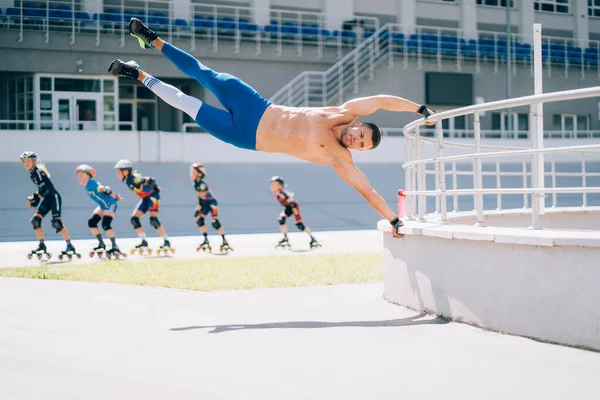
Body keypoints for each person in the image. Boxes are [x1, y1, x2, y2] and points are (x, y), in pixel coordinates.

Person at [108, 18, 436, 238]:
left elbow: (368, 191)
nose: (355, 140)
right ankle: (151, 40)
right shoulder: (341, 113)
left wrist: (394, 220)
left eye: (360, 145)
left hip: (245, 136)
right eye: (360, 134)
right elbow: (381, 100)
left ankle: (137, 74)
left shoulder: (340, 160)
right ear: (359, 124)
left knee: (185, 103)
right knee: (204, 74)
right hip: (257, 106)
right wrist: (419, 109)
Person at [21, 151, 79, 260]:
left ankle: (69, 245)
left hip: (54, 197)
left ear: (34, 162)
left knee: (56, 223)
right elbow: (41, 190)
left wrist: (35, 198)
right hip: (47, 198)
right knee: (35, 221)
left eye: (29, 161)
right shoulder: (32, 174)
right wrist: (34, 197)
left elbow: (44, 189)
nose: (26, 163)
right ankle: (42, 245)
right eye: (24, 162)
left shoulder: (37, 172)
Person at [114, 159, 173, 254]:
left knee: (153, 220)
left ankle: (166, 241)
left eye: (118, 171)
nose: (117, 174)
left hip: (153, 197)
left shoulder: (133, 179)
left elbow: (150, 180)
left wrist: (156, 187)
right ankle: (144, 241)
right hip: (145, 199)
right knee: (134, 219)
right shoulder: (128, 180)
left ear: (125, 171)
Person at [75, 164, 125, 259]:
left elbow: (102, 188)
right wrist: (116, 196)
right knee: (92, 222)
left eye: (81, 175)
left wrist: (112, 194)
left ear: (88, 175)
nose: (79, 177)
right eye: (78, 175)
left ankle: (114, 246)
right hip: (103, 205)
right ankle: (101, 244)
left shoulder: (92, 184)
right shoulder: (87, 186)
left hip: (110, 204)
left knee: (106, 224)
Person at [190, 163, 232, 253]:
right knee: (199, 220)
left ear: (199, 174)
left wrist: (198, 208)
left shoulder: (202, 185)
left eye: (193, 172)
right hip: (205, 203)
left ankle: (224, 240)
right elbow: (200, 199)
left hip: (211, 203)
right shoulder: (195, 184)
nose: (191, 174)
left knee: (215, 222)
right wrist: (197, 210)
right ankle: (206, 240)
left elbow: (202, 197)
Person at [270, 176, 320, 249]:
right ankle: (285, 238)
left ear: (280, 185)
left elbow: (292, 203)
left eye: (275, 185)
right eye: (272, 185)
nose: (272, 186)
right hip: (288, 207)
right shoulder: (277, 193)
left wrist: (297, 215)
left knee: (299, 225)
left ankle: (312, 238)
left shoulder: (282, 194)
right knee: (281, 220)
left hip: (293, 207)